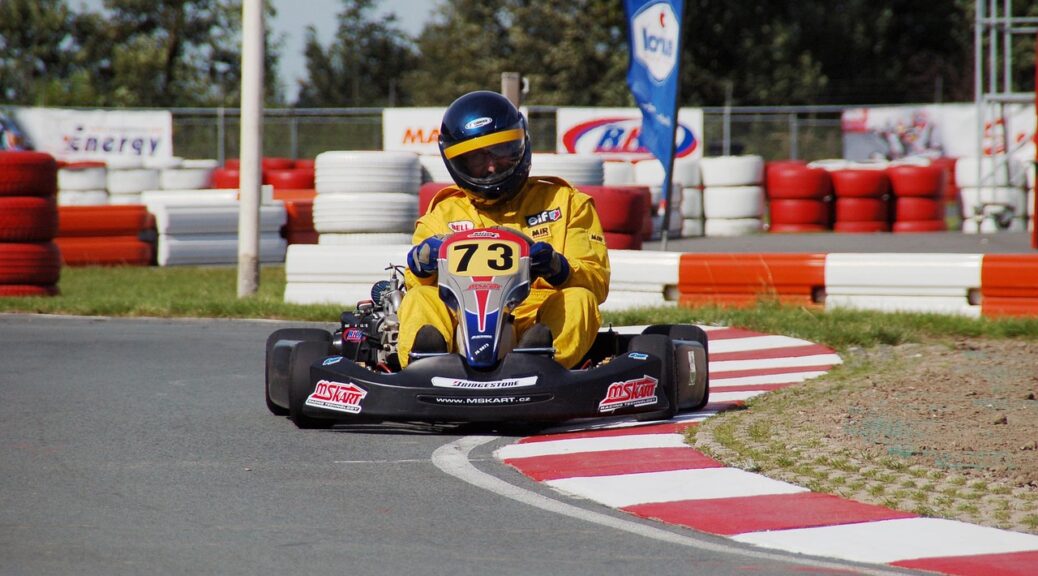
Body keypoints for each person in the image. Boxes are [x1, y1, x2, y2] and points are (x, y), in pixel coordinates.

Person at [397, 90, 610, 369]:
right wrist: (422, 265)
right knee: (419, 297)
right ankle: (426, 365)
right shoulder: (443, 215)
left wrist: (558, 267)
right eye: (476, 157)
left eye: (501, 151)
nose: (491, 164)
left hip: (538, 320)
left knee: (580, 299)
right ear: (456, 162)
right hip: (464, 321)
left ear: (520, 144)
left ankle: (540, 362)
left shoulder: (567, 203)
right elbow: (415, 283)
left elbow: (596, 280)